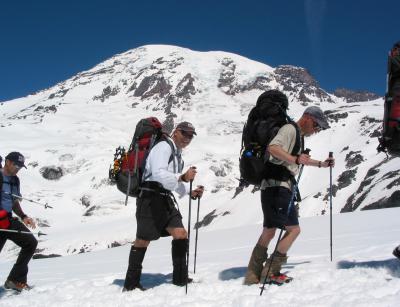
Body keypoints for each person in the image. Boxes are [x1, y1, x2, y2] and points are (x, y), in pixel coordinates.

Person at [244, 105, 335, 285]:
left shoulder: (297, 135)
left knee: (269, 231)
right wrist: (295, 159)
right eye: (316, 126)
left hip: (273, 186)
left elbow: (298, 159)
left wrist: (321, 164)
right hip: (278, 186)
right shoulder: (290, 129)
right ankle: (271, 271)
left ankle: (253, 275)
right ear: (308, 118)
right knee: (293, 229)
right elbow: (273, 149)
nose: (316, 131)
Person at [123, 121, 204, 291]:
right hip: (150, 198)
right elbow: (159, 173)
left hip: (164, 198)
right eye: (185, 133)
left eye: (190, 136)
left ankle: (180, 278)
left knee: (180, 233)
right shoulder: (163, 147)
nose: (187, 138)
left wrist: (191, 192)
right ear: (176, 132)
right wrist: (182, 178)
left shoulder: (177, 153)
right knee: (143, 240)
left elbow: (171, 180)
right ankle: (131, 283)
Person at [0, 152, 37, 292]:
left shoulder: (15, 180)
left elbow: (14, 201)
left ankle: (15, 280)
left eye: (20, 166)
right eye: (16, 165)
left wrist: (23, 216)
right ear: (7, 162)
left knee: (30, 243)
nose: (18, 168)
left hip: (7, 220)